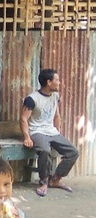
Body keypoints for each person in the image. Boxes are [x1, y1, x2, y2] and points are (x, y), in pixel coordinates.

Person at [21, 68, 78, 197]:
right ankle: (43, 182)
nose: (59, 82)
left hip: (51, 131)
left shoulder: (55, 96)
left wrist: (58, 132)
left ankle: (55, 179)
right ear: (49, 82)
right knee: (45, 151)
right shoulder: (32, 99)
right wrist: (27, 137)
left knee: (73, 152)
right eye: (57, 80)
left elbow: (57, 116)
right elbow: (23, 119)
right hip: (37, 131)